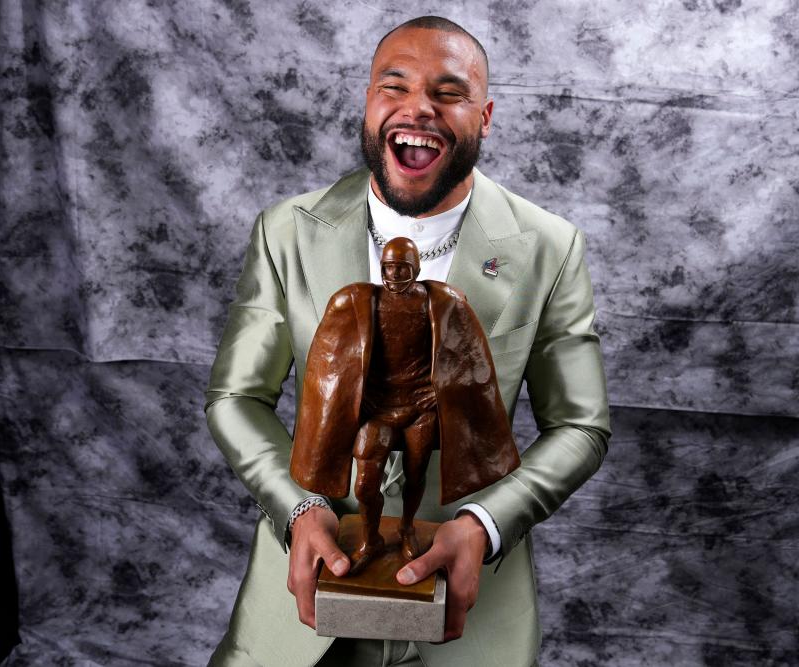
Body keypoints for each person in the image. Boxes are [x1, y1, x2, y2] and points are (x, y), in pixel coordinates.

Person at [204, 15, 610, 667]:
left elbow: (582, 426)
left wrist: (484, 524)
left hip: (474, 608)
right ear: (369, 102)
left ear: (486, 116)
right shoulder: (285, 232)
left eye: (449, 92)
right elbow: (234, 395)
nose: (418, 105)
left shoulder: (549, 247)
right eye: (394, 85)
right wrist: (300, 507)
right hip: (306, 594)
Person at [289, 236, 520, 575]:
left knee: (416, 472)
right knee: (365, 483)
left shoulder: (437, 302)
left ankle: (407, 527)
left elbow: (469, 359)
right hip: (379, 409)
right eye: (389, 267)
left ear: (416, 268)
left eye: (402, 268)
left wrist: (440, 390)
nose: (394, 275)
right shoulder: (359, 301)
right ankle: (371, 538)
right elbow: (330, 361)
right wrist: (356, 390)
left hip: (419, 408)